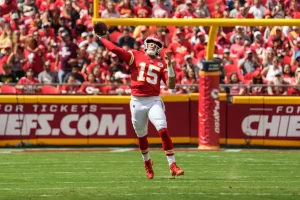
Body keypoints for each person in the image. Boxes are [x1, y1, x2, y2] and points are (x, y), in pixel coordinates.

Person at [95, 31, 184, 179]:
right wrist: (102, 38)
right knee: (141, 135)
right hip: (137, 101)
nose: (152, 45)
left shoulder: (161, 63)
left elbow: (171, 86)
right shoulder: (135, 55)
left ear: (159, 48)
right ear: (145, 44)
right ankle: (147, 162)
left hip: (153, 100)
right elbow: (115, 50)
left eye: (155, 44)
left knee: (162, 130)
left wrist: (169, 66)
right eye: (150, 42)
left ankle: (172, 165)